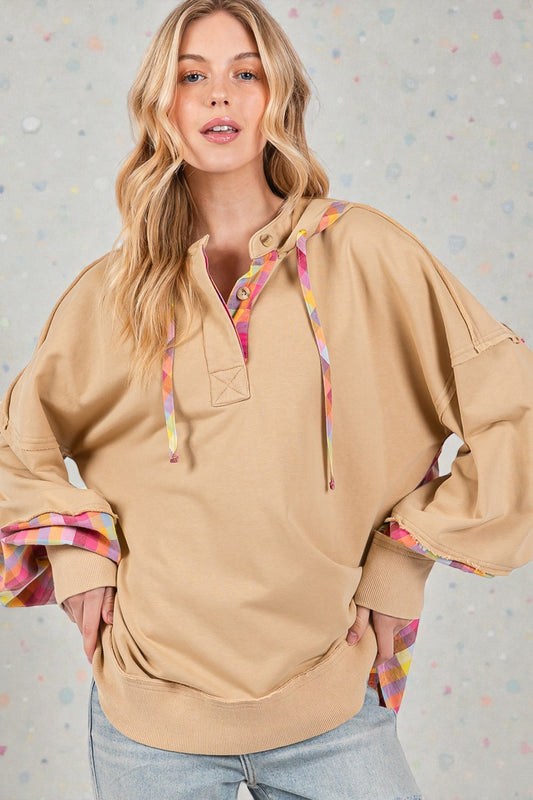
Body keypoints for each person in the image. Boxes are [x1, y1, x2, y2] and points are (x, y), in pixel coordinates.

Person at [1, 1, 532, 798]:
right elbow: (19, 445)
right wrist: (77, 555)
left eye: (244, 72)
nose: (220, 96)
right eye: (193, 76)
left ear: (276, 94)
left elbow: (511, 407)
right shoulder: (112, 294)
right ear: (162, 104)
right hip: (149, 720)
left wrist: (401, 561)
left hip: (330, 701)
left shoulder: (368, 254)